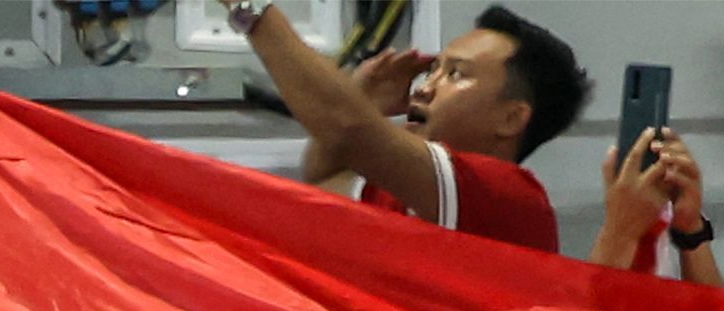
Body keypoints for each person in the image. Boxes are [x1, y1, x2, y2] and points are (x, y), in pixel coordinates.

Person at [234, 0, 586, 251]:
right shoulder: (403, 191)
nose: (425, 87)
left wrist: (251, 10)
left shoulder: (512, 199)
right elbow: (323, 183)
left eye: (456, 74)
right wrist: (365, 102)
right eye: (433, 70)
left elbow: (346, 130)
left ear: (511, 118)